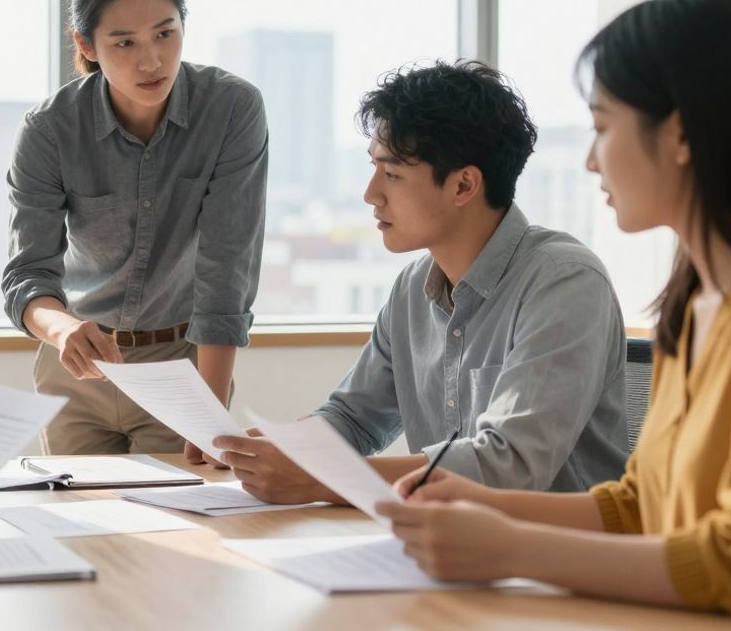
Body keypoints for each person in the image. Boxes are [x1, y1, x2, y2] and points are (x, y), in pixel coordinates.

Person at [379, 0, 731, 628]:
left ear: (680, 133)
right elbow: (640, 508)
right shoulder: (696, 302)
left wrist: (514, 547)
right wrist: (484, 505)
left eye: (602, 126)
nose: (590, 158)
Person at [217, 60, 628, 501]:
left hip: (557, 560)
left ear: (463, 185)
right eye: (374, 169)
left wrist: (323, 477)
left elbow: (511, 463)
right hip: (447, 547)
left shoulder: (564, 283)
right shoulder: (413, 288)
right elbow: (354, 419)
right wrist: (276, 450)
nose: (370, 193)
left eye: (391, 173)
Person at [2, 0, 268, 461]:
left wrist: (207, 412)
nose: (152, 60)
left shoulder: (232, 109)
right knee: (78, 532)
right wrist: (62, 329)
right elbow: (26, 275)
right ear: (88, 44)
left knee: (183, 531)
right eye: (124, 43)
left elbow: (226, 271)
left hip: (182, 366)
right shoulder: (49, 129)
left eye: (166, 34)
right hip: (76, 367)